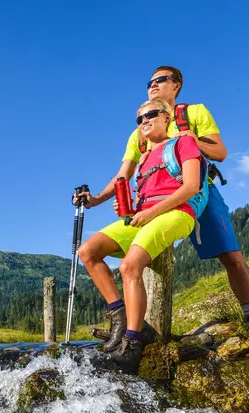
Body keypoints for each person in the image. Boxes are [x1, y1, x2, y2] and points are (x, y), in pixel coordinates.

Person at [77, 66, 249, 349]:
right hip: (154, 198)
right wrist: (95, 200)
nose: (152, 85)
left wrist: (182, 141)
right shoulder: (139, 132)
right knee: (138, 256)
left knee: (231, 256)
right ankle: (133, 326)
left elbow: (220, 153)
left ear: (177, 85)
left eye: (160, 80)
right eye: (149, 82)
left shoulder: (193, 113)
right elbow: (123, 175)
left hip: (198, 191)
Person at [77, 99, 203, 373]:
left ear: (167, 117)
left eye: (150, 115)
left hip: (177, 212)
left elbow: (192, 186)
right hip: (142, 215)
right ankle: (119, 315)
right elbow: (123, 180)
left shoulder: (183, 143)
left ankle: (133, 342)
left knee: (129, 265)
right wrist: (95, 200)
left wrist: (150, 213)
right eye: (139, 119)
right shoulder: (144, 155)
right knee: (88, 251)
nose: (144, 121)